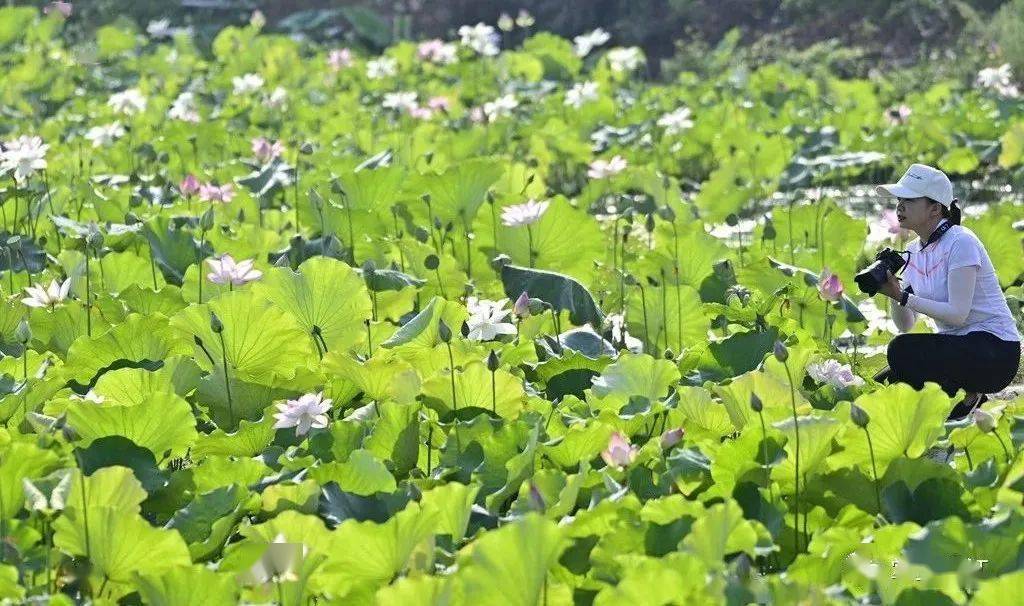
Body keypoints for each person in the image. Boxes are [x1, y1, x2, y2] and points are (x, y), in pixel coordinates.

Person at [870, 163, 1022, 419]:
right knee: (882, 387)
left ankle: (970, 396)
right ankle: (967, 400)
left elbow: (958, 315)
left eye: (909, 199)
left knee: (900, 351)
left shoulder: (961, 241)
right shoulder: (914, 251)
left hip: (995, 352)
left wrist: (903, 296)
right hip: (957, 353)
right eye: (899, 199)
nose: (900, 206)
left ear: (935, 208)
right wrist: (893, 292)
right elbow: (906, 324)